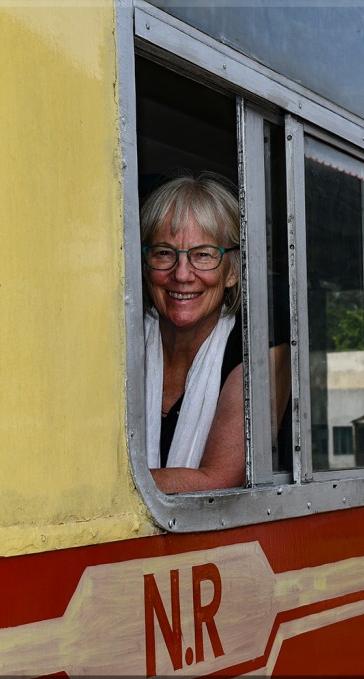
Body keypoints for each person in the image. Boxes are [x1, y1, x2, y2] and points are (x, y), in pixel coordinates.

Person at [141, 172, 247, 493]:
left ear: (231, 272)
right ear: (145, 263)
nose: (182, 274)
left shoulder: (249, 354)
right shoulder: (117, 342)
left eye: (203, 255)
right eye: (164, 253)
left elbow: (217, 481)